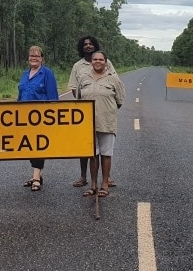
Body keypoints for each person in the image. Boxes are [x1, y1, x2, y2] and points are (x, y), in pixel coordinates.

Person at [68, 36, 118, 188]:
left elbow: (115, 86)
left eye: (91, 44)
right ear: (81, 47)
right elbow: (73, 87)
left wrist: (107, 106)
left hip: (104, 113)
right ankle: (83, 177)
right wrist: (83, 102)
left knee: (104, 149)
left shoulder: (106, 62)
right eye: (85, 44)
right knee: (85, 148)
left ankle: (106, 179)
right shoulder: (78, 66)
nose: (88, 46)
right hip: (85, 114)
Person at [77, 51, 125, 198]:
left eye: (101, 59)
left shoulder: (113, 79)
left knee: (106, 153)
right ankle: (93, 185)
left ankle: (104, 184)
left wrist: (105, 110)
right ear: (91, 61)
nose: (98, 61)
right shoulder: (84, 78)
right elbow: (79, 98)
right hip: (88, 124)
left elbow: (120, 100)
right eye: (95, 59)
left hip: (107, 122)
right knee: (92, 154)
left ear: (105, 61)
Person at [17, 45, 59, 191]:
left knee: (38, 146)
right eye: (31, 56)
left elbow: (53, 97)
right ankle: (37, 174)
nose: (34, 58)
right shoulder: (24, 74)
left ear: (42, 58)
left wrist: (52, 117)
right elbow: (20, 95)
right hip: (23, 118)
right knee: (28, 146)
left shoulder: (47, 73)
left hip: (41, 117)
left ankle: (36, 177)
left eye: (37, 56)